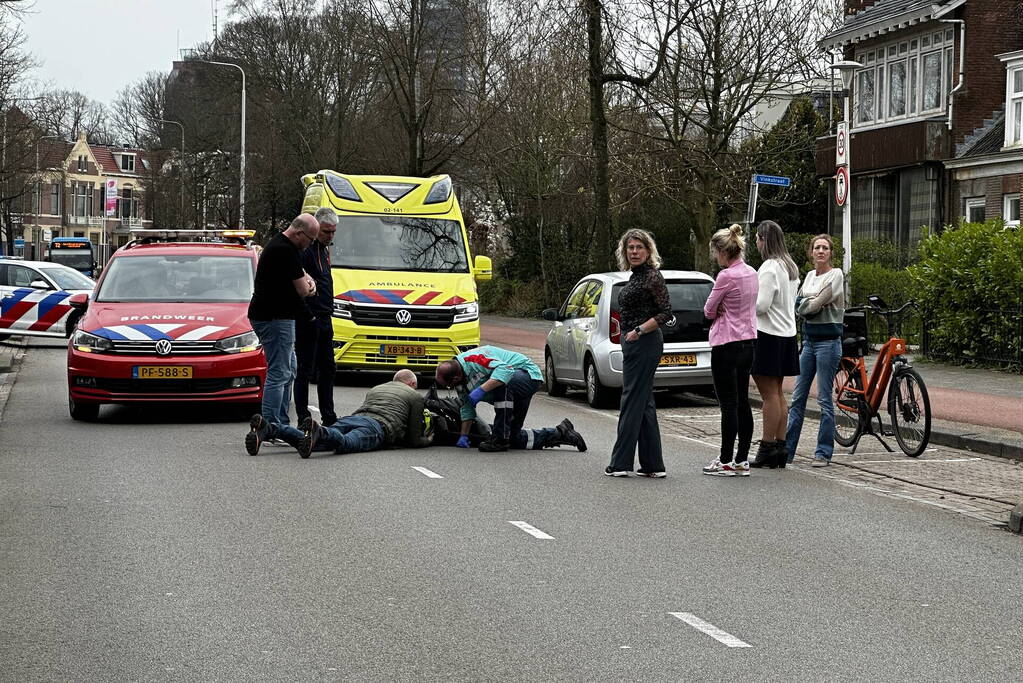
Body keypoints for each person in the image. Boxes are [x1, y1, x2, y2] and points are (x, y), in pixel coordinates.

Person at [245, 214, 319, 456]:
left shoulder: (280, 247)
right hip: (275, 317)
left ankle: (282, 424)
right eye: (310, 239)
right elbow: (302, 288)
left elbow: (302, 278)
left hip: (275, 316)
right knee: (279, 371)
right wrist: (309, 288)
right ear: (299, 233)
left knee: (291, 368)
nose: (310, 244)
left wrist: (307, 283)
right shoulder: (285, 250)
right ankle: (269, 426)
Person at [605, 229, 672, 478]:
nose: (634, 252)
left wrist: (638, 331)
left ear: (648, 250)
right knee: (644, 403)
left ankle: (620, 463)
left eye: (638, 247)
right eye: (630, 248)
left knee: (631, 400)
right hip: (633, 344)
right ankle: (653, 465)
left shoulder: (652, 277)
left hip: (645, 343)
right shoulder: (635, 277)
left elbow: (666, 312)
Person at [434, 346, 587, 453]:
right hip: (512, 391)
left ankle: (499, 439)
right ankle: (561, 433)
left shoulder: (475, 359)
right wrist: (463, 436)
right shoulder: (460, 382)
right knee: (515, 438)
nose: (450, 389)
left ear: (456, 377)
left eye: (449, 385)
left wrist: (481, 390)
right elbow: (466, 407)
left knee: (501, 383)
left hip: (526, 376)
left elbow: (506, 370)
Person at [702, 224, 758, 477]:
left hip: (726, 343)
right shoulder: (751, 273)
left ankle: (725, 458)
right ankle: (742, 459)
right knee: (743, 401)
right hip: (749, 341)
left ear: (722, 251)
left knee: (728, 403)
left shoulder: (726, 276)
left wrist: (719, 309)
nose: (715, 257)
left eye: (715, 252)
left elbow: (708, 310)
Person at [786, 234, 846, 467]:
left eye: (825, 248)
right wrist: (808, 304)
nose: (821, 251)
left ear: (831, 253)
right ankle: (788, 450)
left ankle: (823, 452)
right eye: (817, 248)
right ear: (811, 253)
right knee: (798, 396)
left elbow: (815, 303)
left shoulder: (836, 275)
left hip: (828, 343)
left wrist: (808, 304)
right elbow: (798, 304)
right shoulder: (810, 276)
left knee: (823, 399)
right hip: (809, 343)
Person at [288, 369, 433, 458]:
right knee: (346, 443)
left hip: (356, 418)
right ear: (412, 384)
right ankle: (320, 431)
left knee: (313, 441)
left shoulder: (376, 388)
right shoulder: (415, 396)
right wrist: (429, 439)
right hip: (377, 427)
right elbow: (414, 439)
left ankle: (272, 429)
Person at [750, 220, 800, 468]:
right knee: (779, 393)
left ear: (764, 239)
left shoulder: (769, 267)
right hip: (787, 334)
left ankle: (766, 446)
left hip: (768, 334)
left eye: (758, 239)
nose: (756, 243)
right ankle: (780, 446)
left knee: (768, 394)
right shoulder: (790, 266)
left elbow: (761, 306)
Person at [294, 207, 339, 428]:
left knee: (328, 368)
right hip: (309, 317)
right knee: (304, 368)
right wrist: (308, 314)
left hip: (325, 316)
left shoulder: (324, 250)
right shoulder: (307, 251)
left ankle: (328, 415)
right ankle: (303, 416)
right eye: (326, 232)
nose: (330, 236)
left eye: (333, 232)